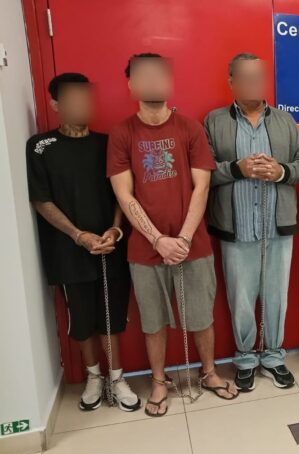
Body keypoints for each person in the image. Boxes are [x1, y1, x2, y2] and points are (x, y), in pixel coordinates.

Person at [107, 53, 237, 417]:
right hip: (144, 249)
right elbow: (124, 194)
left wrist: (182, 238)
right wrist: (157, 240)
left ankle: (208, 372)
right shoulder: (122, 133)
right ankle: (159, 381)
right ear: (131, 84)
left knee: (202, 316)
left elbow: (202, 186)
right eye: (144, 75)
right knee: (153, 321)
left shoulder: (190, 128)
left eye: (159, 74)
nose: (153, 81)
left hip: (193, 245)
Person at [26, 73, 140, 412]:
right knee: (81, 318)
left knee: (111, 315)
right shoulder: (40, 146)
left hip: (110, 245)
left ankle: (117, 378)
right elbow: (41, 200)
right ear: (55, 104)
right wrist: (78, 235)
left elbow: (122, 193)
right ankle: (93, 377)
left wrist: (115, 230)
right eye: (73, 98)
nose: (82, 104)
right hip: (67, 248)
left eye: (86, 97)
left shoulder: (108, 143)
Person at [204, 53, 299, 392]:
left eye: (259, 77)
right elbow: (202, 172)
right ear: (231, 81)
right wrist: (237, 169)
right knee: (240, 298)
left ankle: (274, 357)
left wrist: (281, 171)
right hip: (236, 229)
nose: (254, 83)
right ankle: (246, 359)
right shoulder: (214, 121)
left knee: (276, 296)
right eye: (246, 77)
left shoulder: (284, 120)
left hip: (277, 228)